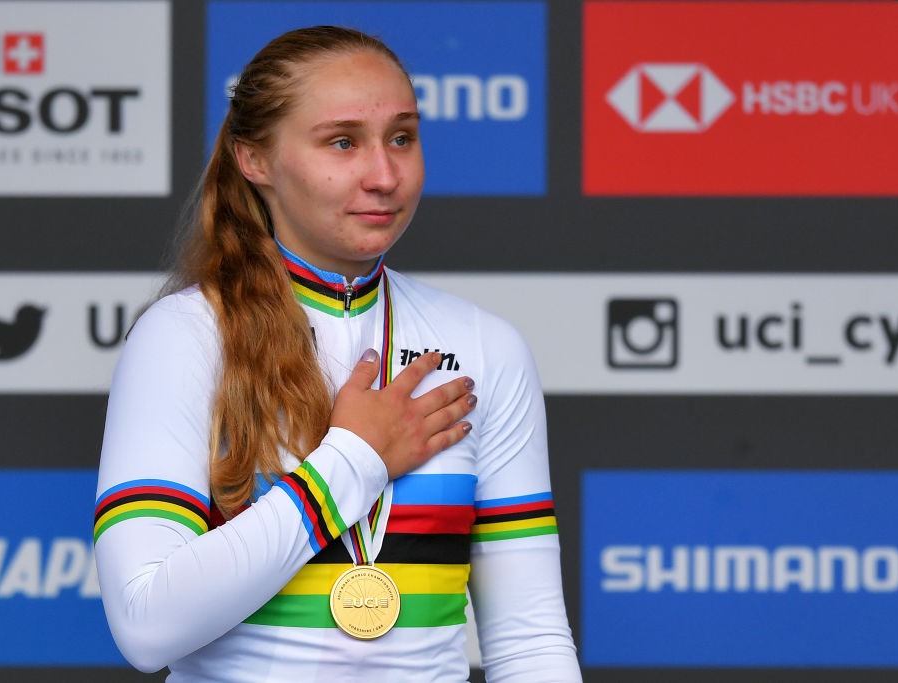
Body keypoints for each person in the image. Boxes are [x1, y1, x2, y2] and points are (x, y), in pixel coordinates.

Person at [94, 25, 581, 682]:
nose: (385, 175)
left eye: (402, 138)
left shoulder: (484, 346)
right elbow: (146, 624)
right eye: (343, 142)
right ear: (254, 159)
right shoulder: (185, 336)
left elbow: (531, 642)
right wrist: (353, 460)